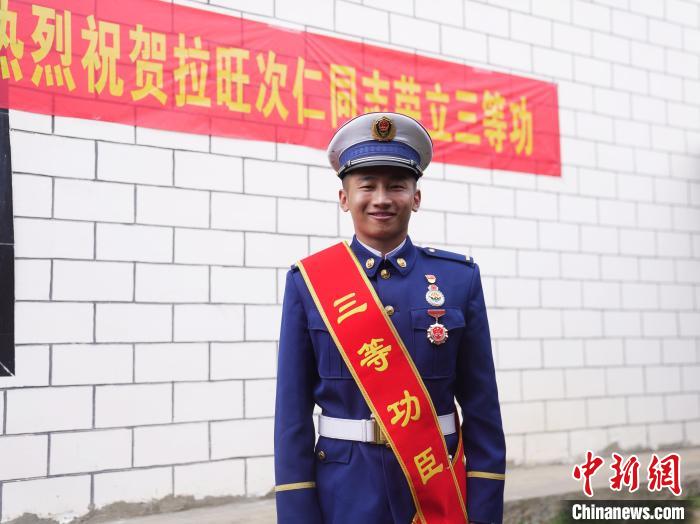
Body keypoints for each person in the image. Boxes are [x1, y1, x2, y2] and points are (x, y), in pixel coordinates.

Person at [274, 112, 506, 524]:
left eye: (396, 185)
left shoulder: (459, 280)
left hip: (436, 489)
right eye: (367, 185)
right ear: (344, 198)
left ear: (416, 197)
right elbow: (291, 416)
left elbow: (483, 410)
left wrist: (484, 510)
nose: (381, 198)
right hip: (344, 494)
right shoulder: (309, 283)